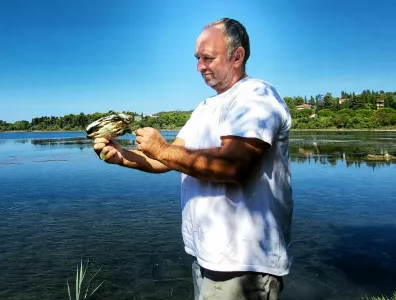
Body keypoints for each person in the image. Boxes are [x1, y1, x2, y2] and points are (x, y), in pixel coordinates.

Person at [94, 18, 293, 300]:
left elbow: (233, 165)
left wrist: (161, 149)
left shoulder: (256, 96)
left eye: (208, 58)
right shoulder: (205, 108)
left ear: (237, 56)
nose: (200, 67)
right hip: (208, 258)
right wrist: (122, 156)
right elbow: (168, 160)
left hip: (244, 264)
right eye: (198, 58)